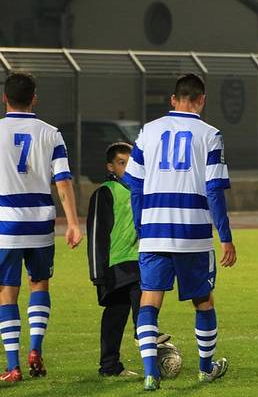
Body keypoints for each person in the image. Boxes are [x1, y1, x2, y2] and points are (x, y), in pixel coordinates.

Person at [124, 73, 237, 391]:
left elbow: (133, 184)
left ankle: (149, 373)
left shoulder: (149, 130)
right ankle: (205, 369)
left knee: (150, 299)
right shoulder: (210, 134)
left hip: (154, 229)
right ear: (202, 100)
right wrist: (225, 236)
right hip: (194, 232)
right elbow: (214, 189)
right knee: (203, 300)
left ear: (174, 100)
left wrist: (140, 224)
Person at [0, 72, 82, 382]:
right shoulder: (51, 133)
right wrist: (73, 222)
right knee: (39, 283)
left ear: (5, 98)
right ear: (34, 97)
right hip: (41, 221)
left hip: (5, 221)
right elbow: (63, 180)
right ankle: (35, 348)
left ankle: (13, 365)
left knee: (7, 291)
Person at [86, 142, 170, 377]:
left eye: (131, 163)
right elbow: (96, 233)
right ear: (111, 167)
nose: (128, 167)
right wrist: (97, 272)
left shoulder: (142, 190)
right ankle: (141, 330)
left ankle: (109, 365)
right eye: (122, 163)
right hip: (115, 261)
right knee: (137, 290)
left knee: (116, 312)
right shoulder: (106, 191)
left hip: (139, 257)